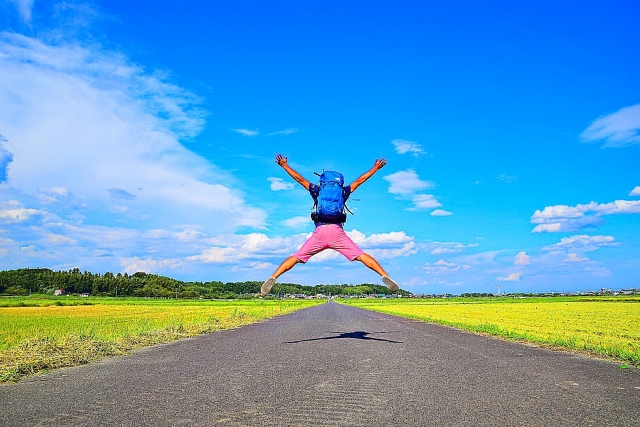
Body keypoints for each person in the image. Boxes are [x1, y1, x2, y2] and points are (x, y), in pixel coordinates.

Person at [260, 153, 399, 296]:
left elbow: (299, 179)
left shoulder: (317, 190)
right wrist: (376, 168)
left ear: (323, 182)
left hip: (320, 232)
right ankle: (383, 274)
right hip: (337, 233)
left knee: (297, 257)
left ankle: (274, 277)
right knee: (360, 255)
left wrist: (284, 165)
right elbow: (360, 180)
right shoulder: (343, 191)